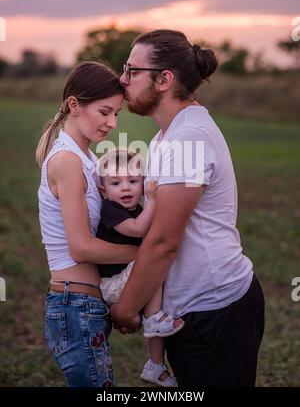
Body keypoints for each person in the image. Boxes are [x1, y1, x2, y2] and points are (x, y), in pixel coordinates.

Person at [111, 29, 265, 387]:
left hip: (215, 309)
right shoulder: (169, 135)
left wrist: (125, 307)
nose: (122, 80)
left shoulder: (188, 137)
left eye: (132, 70)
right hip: (193, 309)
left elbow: (164, 241)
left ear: (164, 79)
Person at [36, 61, 139, 387]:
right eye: (105, 112)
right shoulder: (67, 161)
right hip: (73, 305)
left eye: (116, 114)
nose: (112, 122)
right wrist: (146, 254)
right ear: (74, 105)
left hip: (87, 304)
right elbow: (81, 247)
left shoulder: (88, 160)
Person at [96, 148, 184, 387]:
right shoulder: (110, 209)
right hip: (113, 283)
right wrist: (154, 200)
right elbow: (137, 230)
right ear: (103, 189)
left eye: (133, 181)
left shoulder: (138, 210)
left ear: (143, 183)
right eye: (116, 182)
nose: (125, 187)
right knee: (154, 263)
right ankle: (154, 317)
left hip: (127, 277)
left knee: (155, 275)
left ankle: (155, 365)